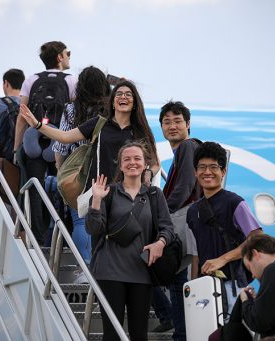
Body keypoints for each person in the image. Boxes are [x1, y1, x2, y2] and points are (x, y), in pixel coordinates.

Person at [85, 141, 175, 341]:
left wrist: (160, 243)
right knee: (112, 334)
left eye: (137, 158)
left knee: (139, 334)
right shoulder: (109, 192)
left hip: (142, 273)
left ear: (145, 164)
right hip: (109, 271)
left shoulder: (154, 194)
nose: (132, 163)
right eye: (127, 159)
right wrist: (97, 200)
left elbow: (168, 228)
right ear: (120, 164)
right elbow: (93, 229)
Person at [19, 79, 161, 192]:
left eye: (128, 94)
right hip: (98, 193)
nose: (123, 97)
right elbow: (64, 137)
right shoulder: (99, 123)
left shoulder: (140, 129)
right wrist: (37, 124)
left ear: (135, 103)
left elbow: (155, 163)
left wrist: (148, 173)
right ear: (112, 102)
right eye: (119, 94)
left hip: (130, 195)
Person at [13, 41, 77, 245]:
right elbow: (75, 114)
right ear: (59, 57)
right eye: (67, 53)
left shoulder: (31, 80)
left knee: (33, 189)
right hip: (60, 141)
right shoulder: (72, 80)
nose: (69, 56)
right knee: (64, 188)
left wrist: (16, 148)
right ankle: (63, 237)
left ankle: (36, 238)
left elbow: (22, 116)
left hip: (33, 141)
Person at [186, 141, 261, 315]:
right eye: (202, 167)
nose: (207, 172)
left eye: (213, 167)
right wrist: (193, 288)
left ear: (223, 171)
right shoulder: (192, 211)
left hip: (233, 285)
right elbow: (195, 255)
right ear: (195, 172)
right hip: (205, 287)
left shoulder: (234, 202)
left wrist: (223, 259)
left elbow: (257, 237)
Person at [49, 66, 111, 272]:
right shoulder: (111, 110)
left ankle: (84, 267)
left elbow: (61, 146)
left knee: (80, 218)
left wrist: (62, 171)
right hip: (109, 172)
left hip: (82, 175)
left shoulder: (70, 110)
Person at [151, 101, 202, 339]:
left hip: (182, 221)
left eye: (177, 121)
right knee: (177, 278)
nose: (172, 126)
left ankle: (172, 322)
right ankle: (177, 327)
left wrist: (162, 213)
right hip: (187, 222)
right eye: (166, 122)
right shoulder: (182, 151)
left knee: (146, 266)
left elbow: (184, 188)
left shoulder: (187, 148)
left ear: (188, 124)